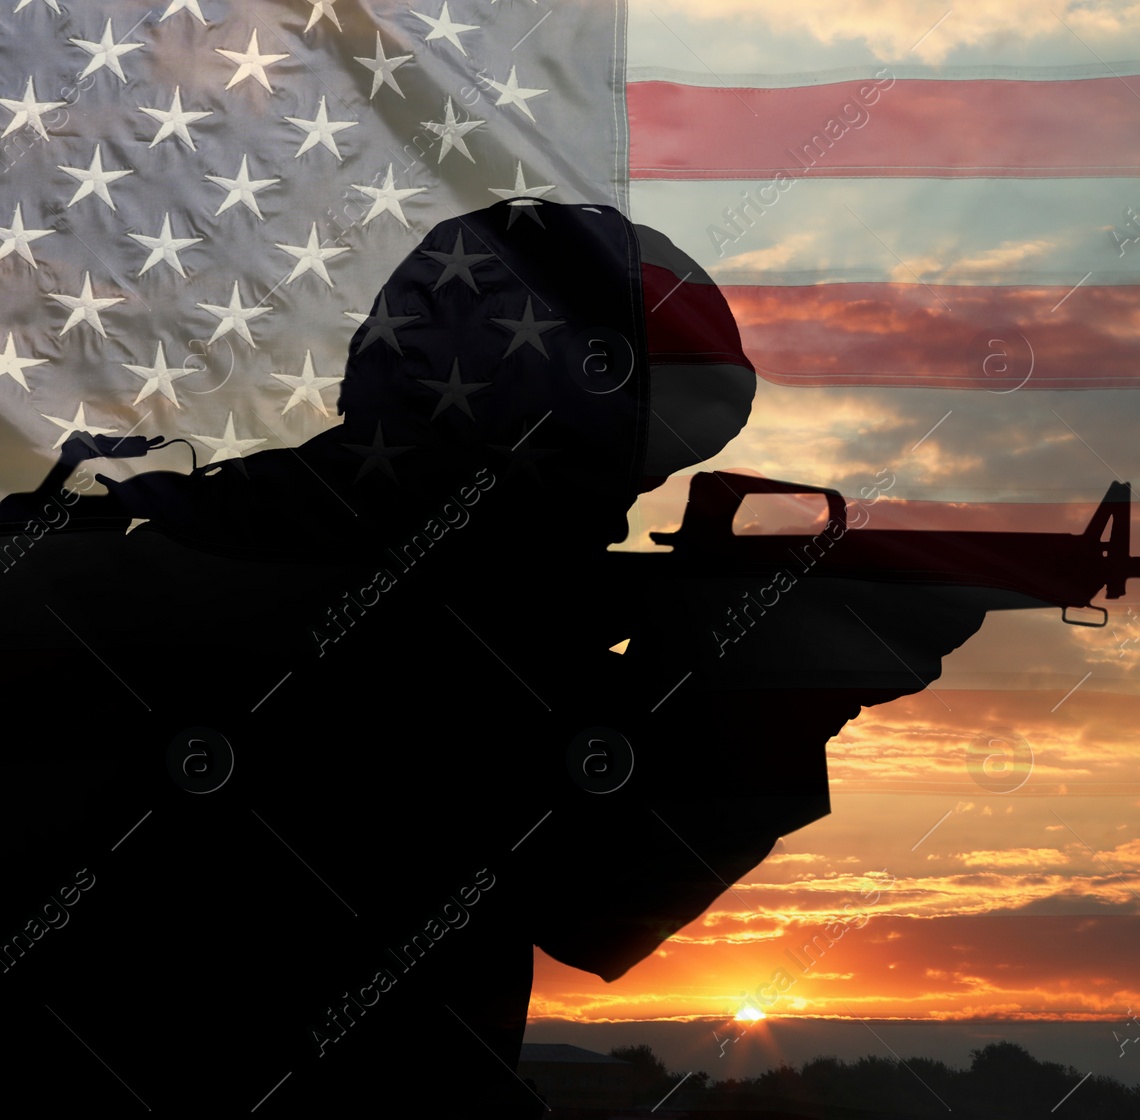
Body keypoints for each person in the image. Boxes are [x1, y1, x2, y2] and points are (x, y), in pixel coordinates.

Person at [0, 200, 988, 1113]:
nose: (617, 511)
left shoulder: (138, 553)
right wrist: (780, 698)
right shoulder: (412, 637)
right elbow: (598, 898)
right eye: (608, 473)